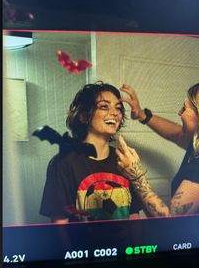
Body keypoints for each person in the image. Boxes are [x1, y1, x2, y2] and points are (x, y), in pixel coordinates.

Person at [116, 79, 199, 217]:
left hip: (194, 238)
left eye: (184, 108)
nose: (179, 112)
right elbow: (175, 134)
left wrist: (136, 176)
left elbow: (170, 221)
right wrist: (142, 115)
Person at [40, 81, 141, 223]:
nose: (115, 113)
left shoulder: (125, 160)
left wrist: (136, 245)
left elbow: (134, 214)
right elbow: (60, 222)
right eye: (104, 106)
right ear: (83, 116)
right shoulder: (63, 163)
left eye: (118, 108)